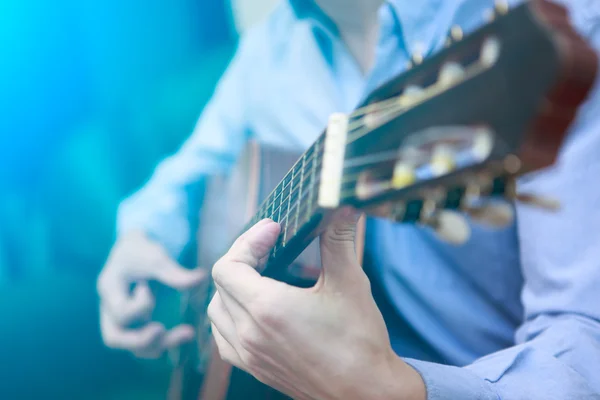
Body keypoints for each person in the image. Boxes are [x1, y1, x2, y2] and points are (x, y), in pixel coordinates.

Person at [99, 0, 600, 398]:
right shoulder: (273, 46)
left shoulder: (558, 28)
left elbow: (585, 337)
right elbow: (193, 167)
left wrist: (389, 391)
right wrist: (139, 236)